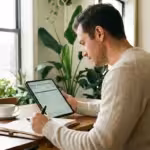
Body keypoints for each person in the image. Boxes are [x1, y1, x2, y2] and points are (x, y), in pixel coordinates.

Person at [32, 4, 150, 150]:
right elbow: (120, 108)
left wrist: (47, 127)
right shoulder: (142, 60)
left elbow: (97, 145)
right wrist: (78, 106)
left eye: (83, 43)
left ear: (99, 33)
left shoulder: (123, 72)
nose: (84, 53)